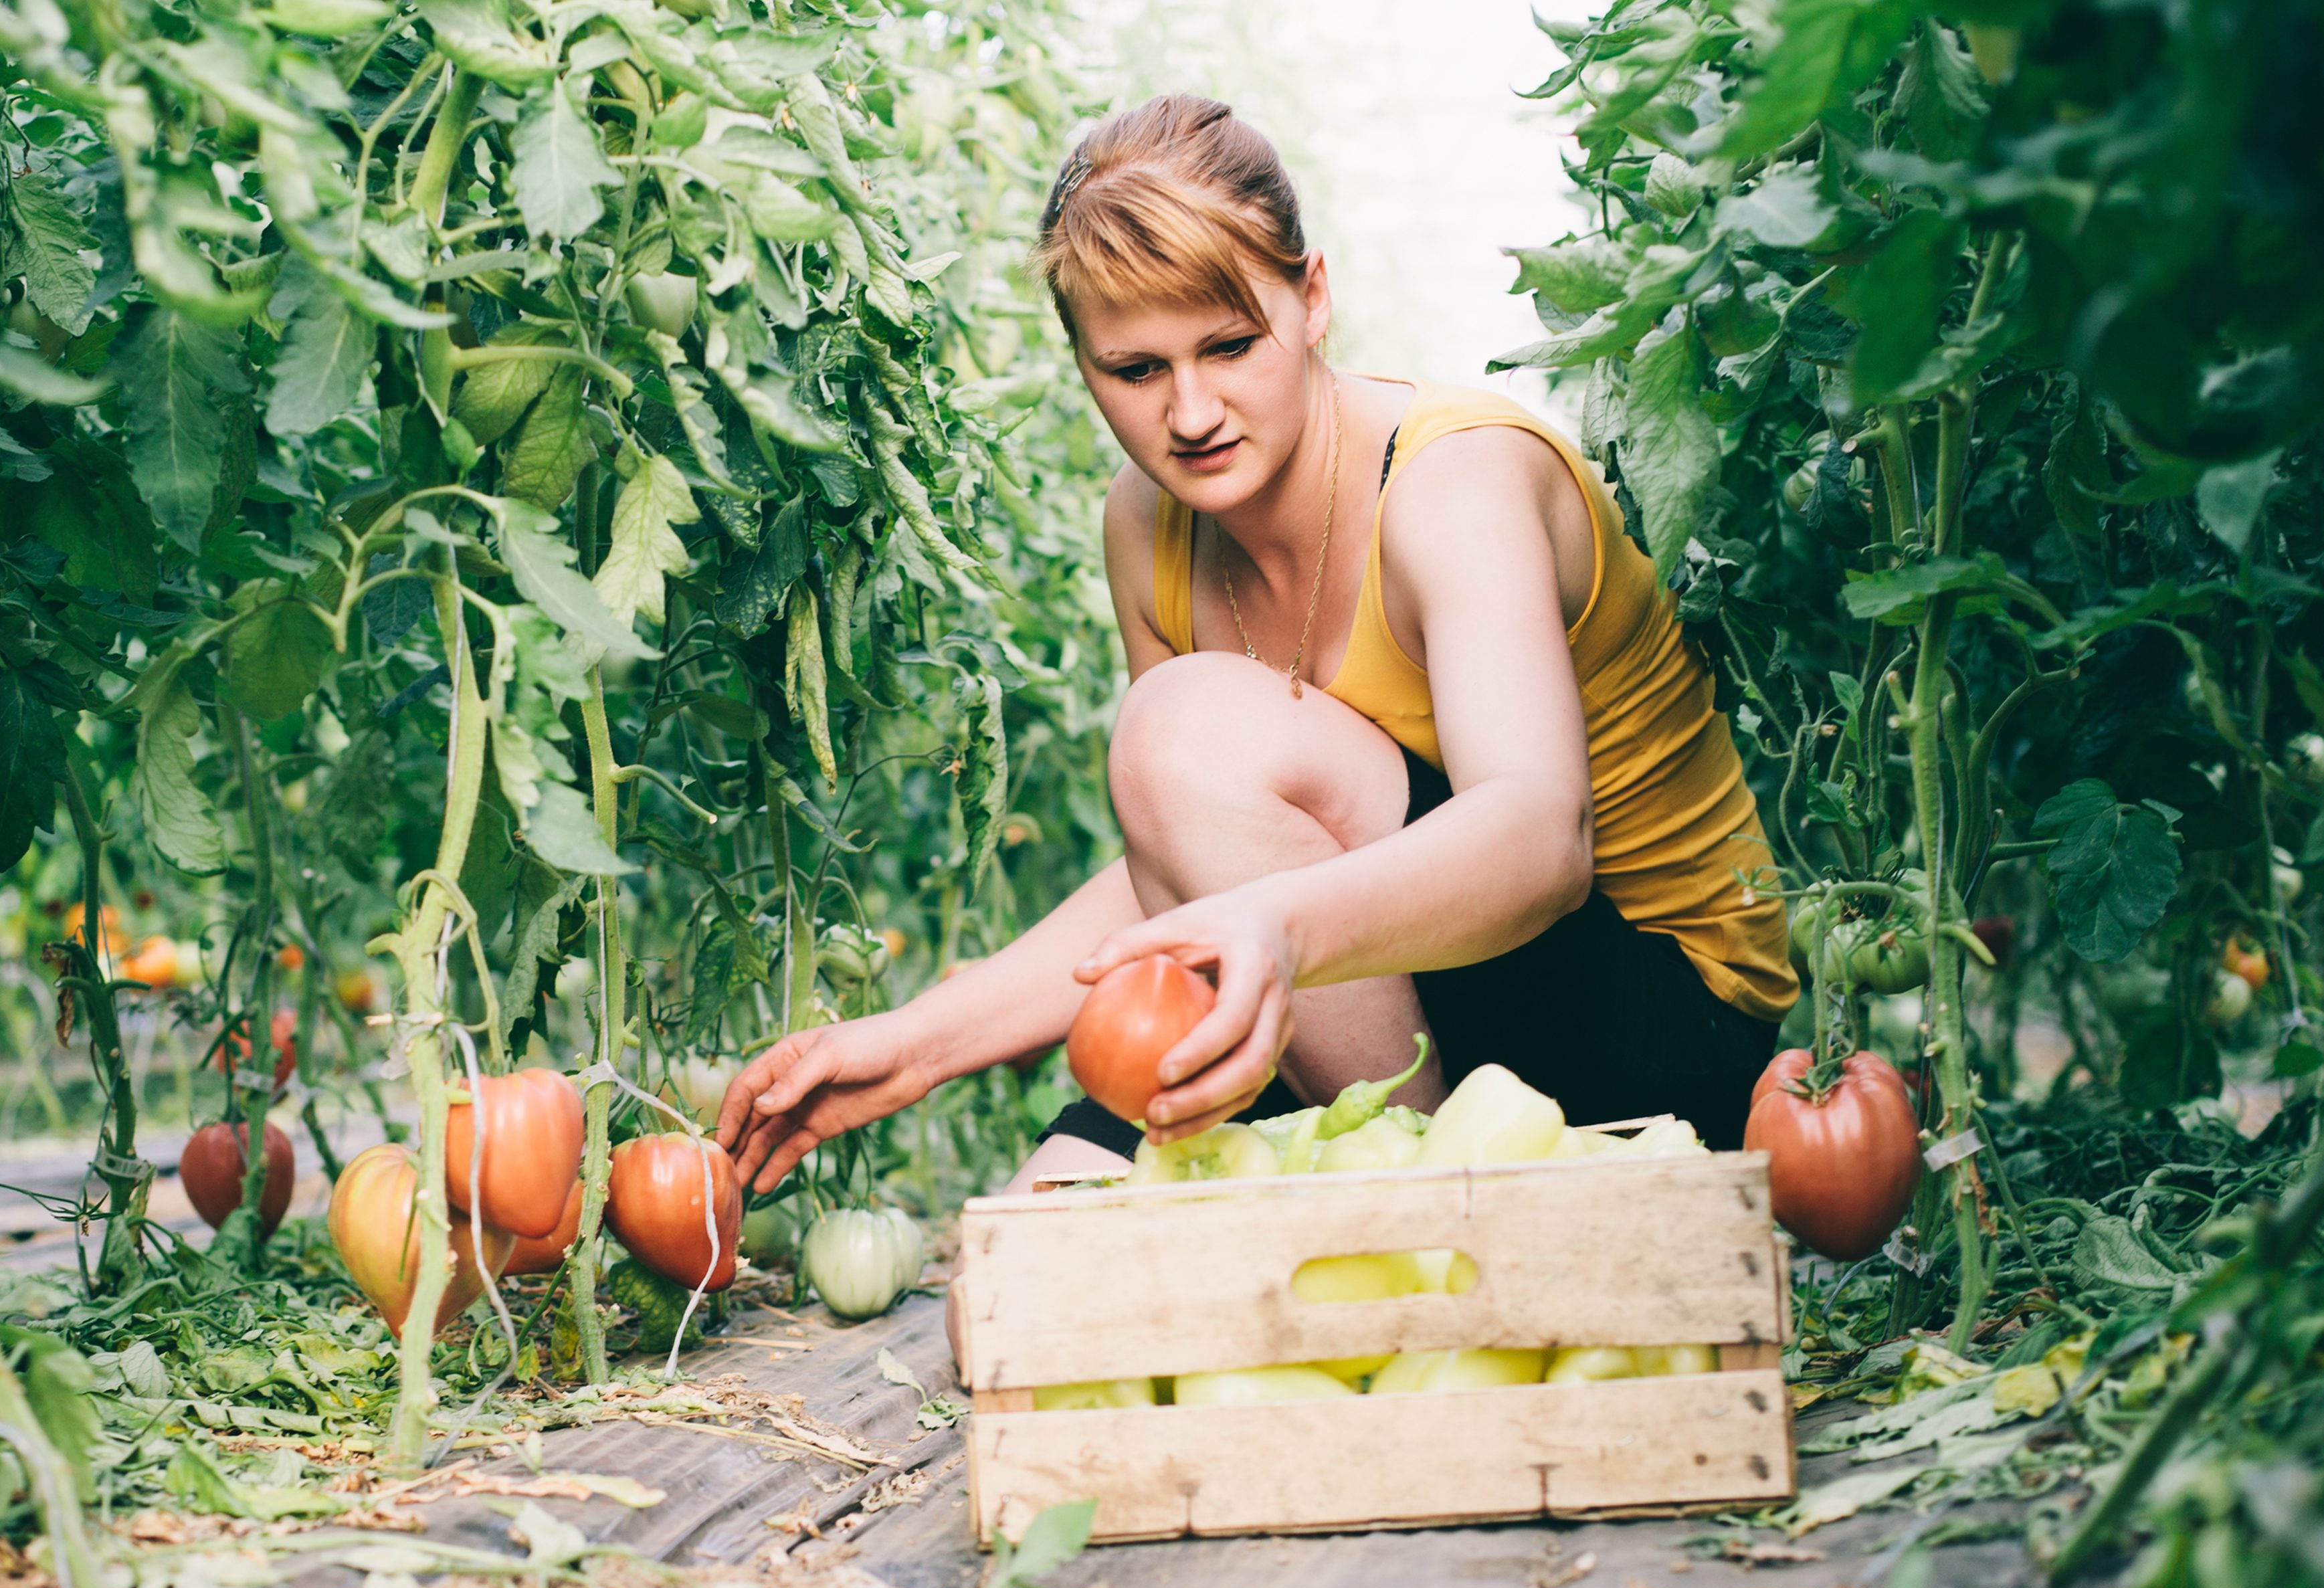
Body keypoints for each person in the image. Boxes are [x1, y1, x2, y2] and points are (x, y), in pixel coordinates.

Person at [714, 94, 1795, 1198]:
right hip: (1382, 1000)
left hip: (1656, 1040)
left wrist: (1273, 929)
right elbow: (1196, 853)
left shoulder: (1452, 485)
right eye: (1134, 371)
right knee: (1044, 1239)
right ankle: (1401, 1197)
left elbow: (1535, 842)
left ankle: (1449, 1226)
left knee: (1183, 728)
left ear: (1311, 298)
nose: (1190, 413)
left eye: (1230, 346)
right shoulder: (1146, 525)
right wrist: (917, 1044)